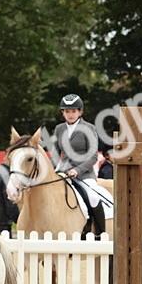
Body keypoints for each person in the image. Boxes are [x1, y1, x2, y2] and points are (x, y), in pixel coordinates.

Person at [52, 93, 115, 230]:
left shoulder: (89, 128)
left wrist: (77, 170)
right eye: (67, 111)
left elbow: (93, 156)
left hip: (84, 174)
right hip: (63, 173)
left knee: (93, 197)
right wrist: (53, 171)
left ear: (80, 112)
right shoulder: (59, 129)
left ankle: (100, 232)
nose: (70, 114)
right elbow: (55, 154)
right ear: (63, 112)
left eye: (74, 111)